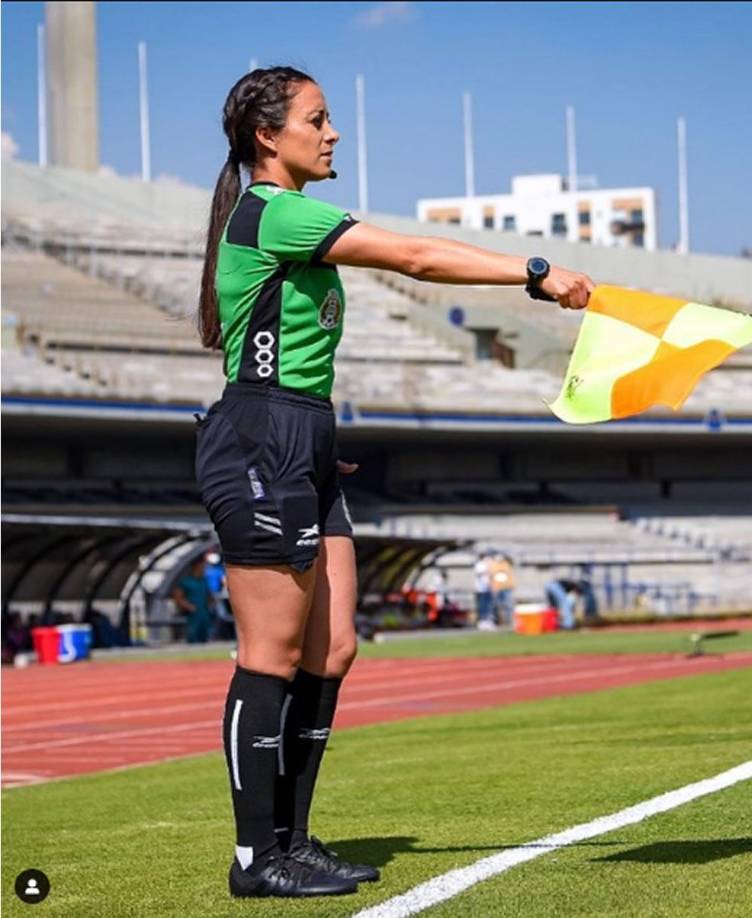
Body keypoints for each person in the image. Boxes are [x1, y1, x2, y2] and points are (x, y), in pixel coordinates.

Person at [194, 65, 594, 899]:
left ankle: (293, 841)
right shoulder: (274, 211)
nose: (332, 131)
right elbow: (414, 255)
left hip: (302, 432)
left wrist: (313, 441)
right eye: (318, 117)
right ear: (269, 136)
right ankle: (253, 859)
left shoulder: (287, 215)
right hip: (261, 434)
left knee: (332, 651)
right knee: (268, 656)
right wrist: (534, 271)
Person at [172, 559, 213, 644]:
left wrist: (209, 605)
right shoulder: (186, 581)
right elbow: (177, 597)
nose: (204, 569)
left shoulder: (204, 580)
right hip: (192, 614)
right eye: (202, 567)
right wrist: (188, 606)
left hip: (204, 612)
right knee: (193, 636)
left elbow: (209, 595)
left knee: (204, 637)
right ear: (196, 567)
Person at [490, 552, 516, 628]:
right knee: (497, 605)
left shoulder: (506, 564)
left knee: (508, 605)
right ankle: (499, 622)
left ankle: (509, 621)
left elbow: (509, 573)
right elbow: (492, 573)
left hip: (507, 587)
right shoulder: (494, 564)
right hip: (497, 587)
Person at [473, 552, 496, 630]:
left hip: (488, 588)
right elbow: (479, 573)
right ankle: (482, 622)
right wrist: (487, 570)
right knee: (483, 606)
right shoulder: (479, 564)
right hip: (481, 589)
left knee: (489, 606)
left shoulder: (487, 564)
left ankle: (488, 621)